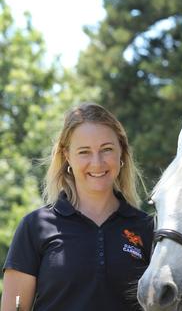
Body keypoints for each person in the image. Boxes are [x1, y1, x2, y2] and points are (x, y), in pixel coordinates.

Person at [1, 103, 153, 311]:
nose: (97, 163)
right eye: (84, 152)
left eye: (107, 149)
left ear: (122, 153)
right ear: (67, 156)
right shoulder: (35, 227)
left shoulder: (148, 228)